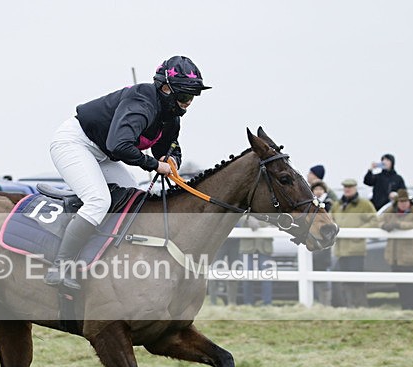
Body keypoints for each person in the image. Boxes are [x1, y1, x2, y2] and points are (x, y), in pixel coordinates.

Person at [45, 55, 211, 289]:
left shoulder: (171, 116)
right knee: (98, 201)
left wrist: (171, 159)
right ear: (165, 88)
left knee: (134, 197)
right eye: (184, 96)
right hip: (75, 143)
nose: (188, 103)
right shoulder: (142, 103)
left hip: (102, 153)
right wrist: (155, 165)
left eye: (193, 97)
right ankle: (60, 267)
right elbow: (119, 145)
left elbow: (169, 148)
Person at [330, 179, 377, 308]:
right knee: (345, 280)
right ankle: (350, 306)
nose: (347, 189)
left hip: (356, 248)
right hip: (340, 248)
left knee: (357, 280)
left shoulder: (364, 205)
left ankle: (361, 306)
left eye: (350, 187)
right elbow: (330, 219)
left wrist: (359, 232)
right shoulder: (337, 205)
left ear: (355, 188)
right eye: (345, 187)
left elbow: (374, 220)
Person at [379, 189, 413, 310]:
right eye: (401, 202)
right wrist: (384, 226)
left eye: (405, 201)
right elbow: (379, 221)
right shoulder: (390, 212)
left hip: (407, 255)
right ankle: (405, 306)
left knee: (409, 284)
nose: (403, 204)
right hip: (393, 255)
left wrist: (399, 225)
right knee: (399, 284)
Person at [239, 215, 273, 306]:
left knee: (267, 276)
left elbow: (277, 219)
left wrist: (271, 226)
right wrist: (248, 218)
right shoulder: (246, 202)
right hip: (248, 246)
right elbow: (238, 214)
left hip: (264, 246)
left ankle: (267, 303)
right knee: (247, 275)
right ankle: (248, 303)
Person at [311, 181, 334, 305]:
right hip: (313, 243)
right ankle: (315, 301)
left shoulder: (329, 204)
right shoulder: (309, 205)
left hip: (324, 244)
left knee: (324, 273)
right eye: (316, 189)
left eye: (320, 189)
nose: (318, 192)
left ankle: (326, 302)